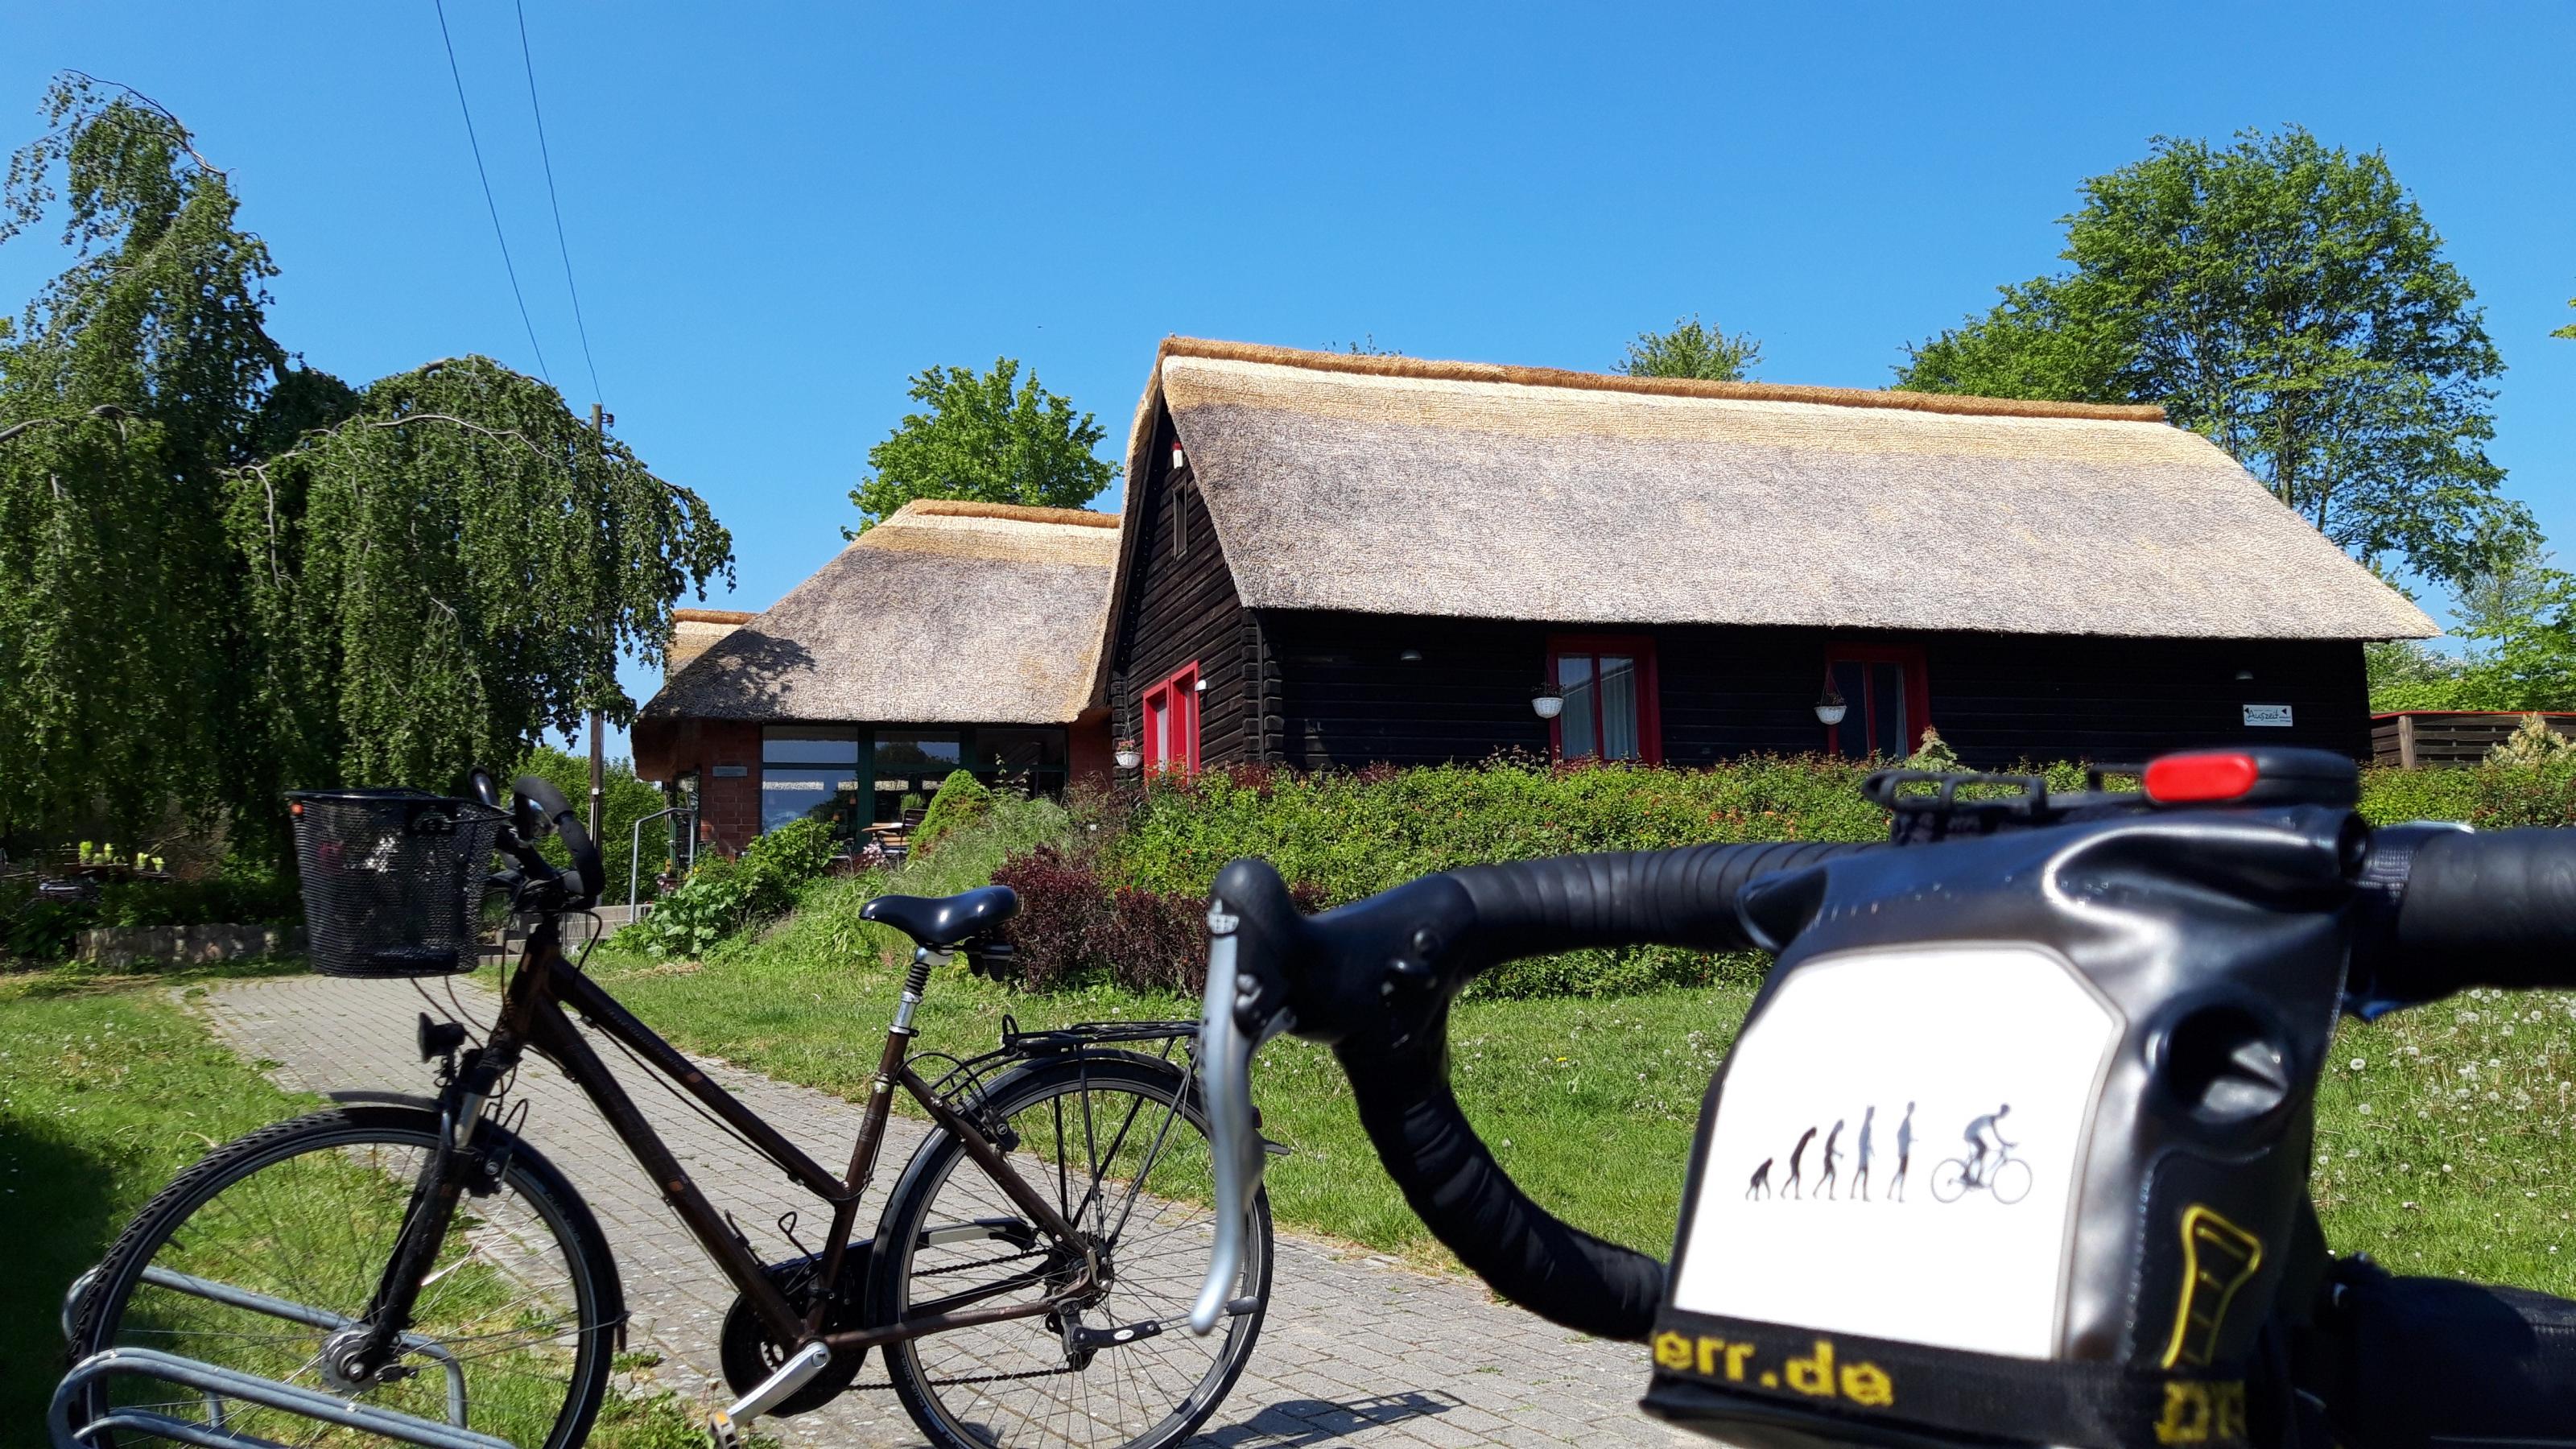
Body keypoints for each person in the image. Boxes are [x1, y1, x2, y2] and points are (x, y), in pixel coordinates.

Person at [1963, 1104, 2016, 1187]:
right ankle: (1969, 1177)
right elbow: (1996, 1135)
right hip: (1971, 1133)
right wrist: (2006, 1144)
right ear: (2002, 1111)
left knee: (1982, 1152)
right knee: (1983, 1150)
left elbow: (1995, 1136)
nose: (2005, 1115)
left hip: (1972, 1132)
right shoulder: (1992, 1119)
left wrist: (2005, 1144)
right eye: (2005, 1112)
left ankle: (1971, 1176)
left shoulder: (1992, 1118)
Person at [1785, 1125, 1817, 1200]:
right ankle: (1795, 1194)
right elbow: (1809, 1136)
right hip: (1795, 1159)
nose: (1814, 1135)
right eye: (1814, 1133)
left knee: (1794, 1176)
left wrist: (1811, 1135)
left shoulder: (1806, 1137)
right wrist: (1811, 1135)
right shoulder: (1806, 1137)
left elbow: (1810, 1136)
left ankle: (1787, 1192)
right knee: (1796, 1177)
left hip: (1795, 1159)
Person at [1854, 1105, 1876, 1202]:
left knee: (1860, 1173)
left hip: (1864, 1154)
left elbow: (1867, 1141)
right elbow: (1861, 1141)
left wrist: (1871, 1150)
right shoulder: (1866, 1125)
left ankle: (1856, 1193)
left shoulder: (1867, 1125)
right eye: (1871, 1113)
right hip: (1863, 1155)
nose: (1872, 1115)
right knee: (1864, 1174)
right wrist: (1864, 1153)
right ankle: (1863, 1195)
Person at [1819, 1119, 1844, 1201]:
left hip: (1827, 1158)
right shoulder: (1833, 1135)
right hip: (1828, 1159)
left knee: (1827, 1176)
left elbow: (1829, 1148)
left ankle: (1816, 1191)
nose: (1841, 1128)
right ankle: (1830, 1195)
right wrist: (1838, 1154)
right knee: (1833, 1175)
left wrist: (1837, 1154)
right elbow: (1829, 1148)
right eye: (1841, 1126)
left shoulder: (1833, 1135)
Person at [1893, 1102, 1913, 1202]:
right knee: (1902, 1173)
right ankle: (1899, 1196)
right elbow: (1900, 1135)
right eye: (1912, 1108)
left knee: (1900, 1173)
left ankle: (1894, 1193)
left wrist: (1910, 1139)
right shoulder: (1906, 1121)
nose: (1913, 1110)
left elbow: (1903, 1135)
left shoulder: (1907, 1121)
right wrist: (1906, 1142)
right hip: (1904, 1151)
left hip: (1904, 1150)